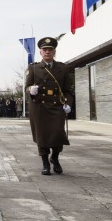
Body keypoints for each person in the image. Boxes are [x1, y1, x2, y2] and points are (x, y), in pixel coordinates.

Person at [25, 37, 73, 175]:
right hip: (39, 106)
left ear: (54, 52)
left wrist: (68, 104)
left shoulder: (63, 68)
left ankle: (55, 157)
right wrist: (31, 90)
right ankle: (45, 162)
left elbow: (68, 91)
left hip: (57, 105)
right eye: (44, 50)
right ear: (40, 52)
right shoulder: (33, 67)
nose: (47, 52)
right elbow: (27, 87)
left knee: (58, 134)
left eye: (50, 50)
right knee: (42, 135)